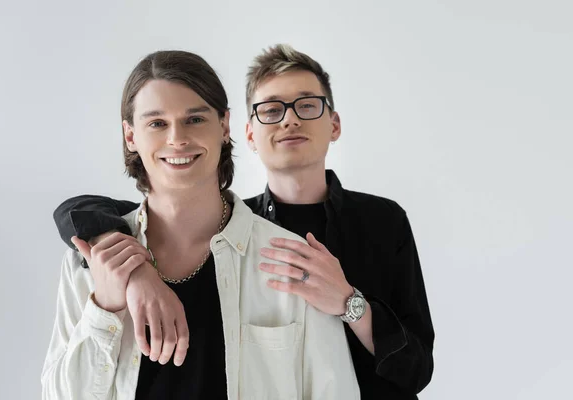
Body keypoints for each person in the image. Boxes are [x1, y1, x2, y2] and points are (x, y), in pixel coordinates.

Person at [52, 44, 435, 399]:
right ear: (249, 132)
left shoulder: (356, 231)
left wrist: (349, 303)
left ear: (225, 127)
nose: (289, 122)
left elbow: (412, 367)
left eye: (306, 106)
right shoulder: (100, 255)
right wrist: (134, 274)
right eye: (271, 110)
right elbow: (86, 212)